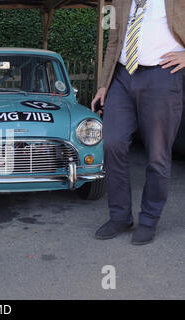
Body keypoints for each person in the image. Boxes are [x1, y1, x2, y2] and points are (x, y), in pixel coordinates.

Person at [92, 0, 185, 245]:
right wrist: (103, 85)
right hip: (122, 77)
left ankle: (149, 220)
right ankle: (120, 216)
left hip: (162, 76)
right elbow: (114, 42)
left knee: (157, 154)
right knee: (112, 143)